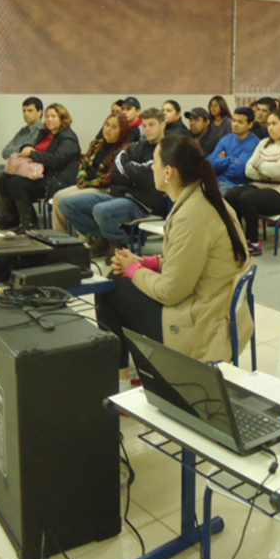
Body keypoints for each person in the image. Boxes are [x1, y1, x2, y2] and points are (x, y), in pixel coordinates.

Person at [97, 135, 252, 383]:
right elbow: (191, 258)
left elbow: (171, 291)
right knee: (120, 283)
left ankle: (122, 381)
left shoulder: (192, 215)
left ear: (168, 171)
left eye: (155, 162)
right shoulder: (204, 198)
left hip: (201, 323)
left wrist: (134, 269)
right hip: (213, 307)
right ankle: (141, 370)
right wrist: (149, 263)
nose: (151, 167)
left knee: (111, 287)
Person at [60, 108, 167, 259]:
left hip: (141, 202)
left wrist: (128, 169)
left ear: (162, 125)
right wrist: (132, 173)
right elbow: (116, 171)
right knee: (67, 204)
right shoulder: (138, 145)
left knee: (101, 210)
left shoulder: (166, 149)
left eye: (152, 125)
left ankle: (119, 244)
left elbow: (147, 177)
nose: (147, 129)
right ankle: (105, 237)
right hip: (118, 194)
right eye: (145, 125)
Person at [225, 109, 280, 256]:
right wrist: (268, 173)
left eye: (274, 124)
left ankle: (253, 242)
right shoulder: (264, 143)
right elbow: (248, 169)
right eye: (268, 124)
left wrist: (260, 166)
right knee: (232, 194)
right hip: (262, 187)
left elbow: (279, 170)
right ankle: (236, 237)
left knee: (248, 198)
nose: (270, 127)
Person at [0, 103, 81, 232]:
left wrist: (33, 154)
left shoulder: (68, 138)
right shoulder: (46, 133)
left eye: (53, 116)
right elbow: (32, 144)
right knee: (3, 179)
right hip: (40, 173)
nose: (49, 119)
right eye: (47, 116)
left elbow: (56, 160)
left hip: (56, 180)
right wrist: (27, 147)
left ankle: (29, 223)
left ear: (62, 118)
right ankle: (13, 217)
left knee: (16, 183)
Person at [51, 112, 130, 234]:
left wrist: (87, 184)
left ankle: (86, 240)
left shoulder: (124, 150)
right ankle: (60, 237)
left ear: (121, 132)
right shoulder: (96, 144)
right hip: (87, 184)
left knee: (73, 199)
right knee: (58, 196)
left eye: (114, 127)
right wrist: (81, 179)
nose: (108, 129)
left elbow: (110, 177)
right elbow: (84, 165)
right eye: (107, 125)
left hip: (106, 188)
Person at [0, 97, 43, 220]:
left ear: (40, 112)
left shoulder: (42, 131)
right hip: (13, 165)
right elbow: (5, 151)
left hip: (27, 168)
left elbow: (30, 151)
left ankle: (7, 216)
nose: (26, 114)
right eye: (24, 110)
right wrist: (20, 149)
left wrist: (19, 150)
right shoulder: (23, 131)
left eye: (30, 110)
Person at [209, 107, 260, 195]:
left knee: (214, 201)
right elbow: (210, 163)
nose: (235, 124)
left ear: (250, 124)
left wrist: (221, 163)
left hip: (235, 185)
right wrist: (230, 160)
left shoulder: (254, 144)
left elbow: (238, 171)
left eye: (240, 122)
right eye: (234, 120)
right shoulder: (226, 139)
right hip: (216, 180)